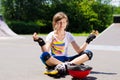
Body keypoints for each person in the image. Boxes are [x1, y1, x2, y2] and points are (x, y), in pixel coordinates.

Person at [33, 12, 98, 75]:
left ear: (66, 23)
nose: (62, 25)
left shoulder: (68, 35)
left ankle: (63, 66)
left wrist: (88, 40)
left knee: (89, 53)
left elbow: (79, 50)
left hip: (66, 59)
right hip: (53, 59)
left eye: (64, 22)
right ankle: (69, 66)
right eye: (59, 22)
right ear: (55, 23)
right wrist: (40, 41)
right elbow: (46, 51)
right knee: (44, 55)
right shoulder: (51, 35)